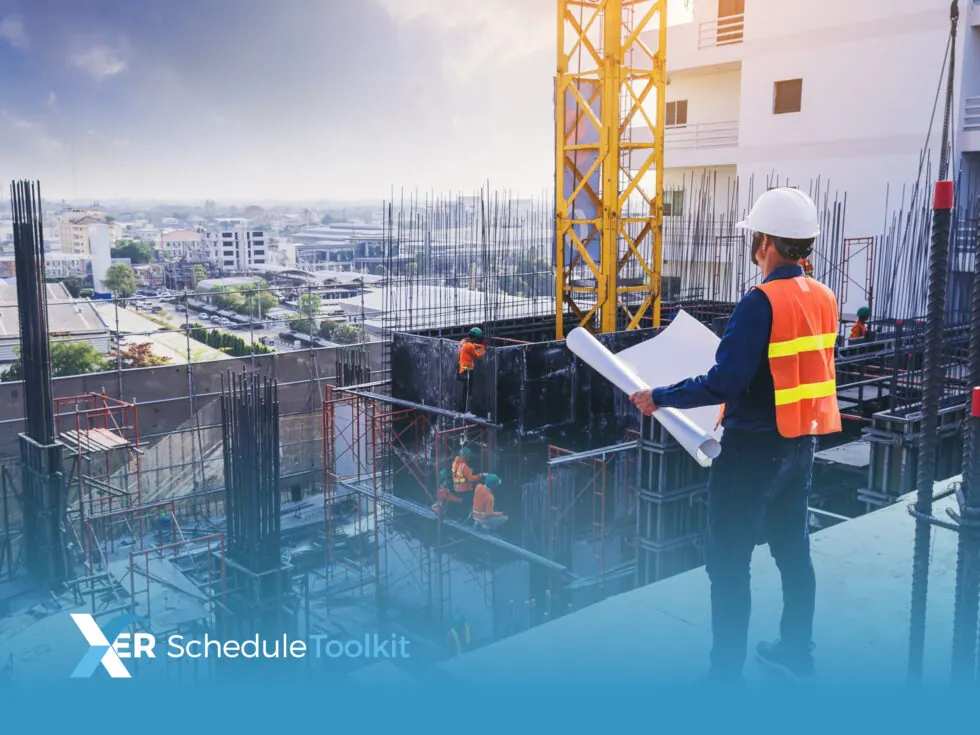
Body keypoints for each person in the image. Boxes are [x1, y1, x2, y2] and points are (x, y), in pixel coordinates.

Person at [630, 187, 842, 685]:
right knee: (794, 554)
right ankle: (796, 651)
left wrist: (659, 395)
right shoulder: (825, 297)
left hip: (751, 454)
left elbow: (724, 382)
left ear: (765, 242)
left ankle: (724, 677)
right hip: (800, 445)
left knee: (728, 564)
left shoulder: (758, 303)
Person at [457, 327, 486, 414]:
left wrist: (479, 346)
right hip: (467, 371)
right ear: (475, 338)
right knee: (467, 393)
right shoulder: (470, 346)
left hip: (462, 370)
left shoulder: (463, 342)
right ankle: (465, 412)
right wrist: (483, 347)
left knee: (464, 392)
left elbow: (473, 346)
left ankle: (462, 410)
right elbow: (478, 356)